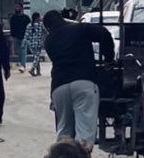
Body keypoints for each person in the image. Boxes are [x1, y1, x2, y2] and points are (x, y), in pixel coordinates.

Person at [43, 10, 115, 150]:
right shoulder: (79, 29)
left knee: (64, 129)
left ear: (48, 27)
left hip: (59, 87)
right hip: (84, 82)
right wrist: (109, 59)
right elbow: (104, 34)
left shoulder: (49, 41)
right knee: (84, 131)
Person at [9, 3, 31, 73]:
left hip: (24, 37)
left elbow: (29, 27)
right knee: (18, 51)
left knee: (23, 51)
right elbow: (11, 27)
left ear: (21, 8)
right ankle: (21, 63)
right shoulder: (13, 18)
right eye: (15, 7)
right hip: (16, 37)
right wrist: (11, 36)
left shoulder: (26, 18)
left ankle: (23, 65)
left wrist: (29, 36)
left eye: (18, 7)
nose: (16, 8)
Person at [23, 12, 45, 77]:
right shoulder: (41, 25)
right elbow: (46, 32)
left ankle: (38, 72)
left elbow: (26, 35)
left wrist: (24, 44)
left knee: (36, 57)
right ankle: (32, 69)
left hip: (31, 44)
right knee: (37, 57)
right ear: (37, 18)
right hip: (38, 44)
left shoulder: (29, 25)